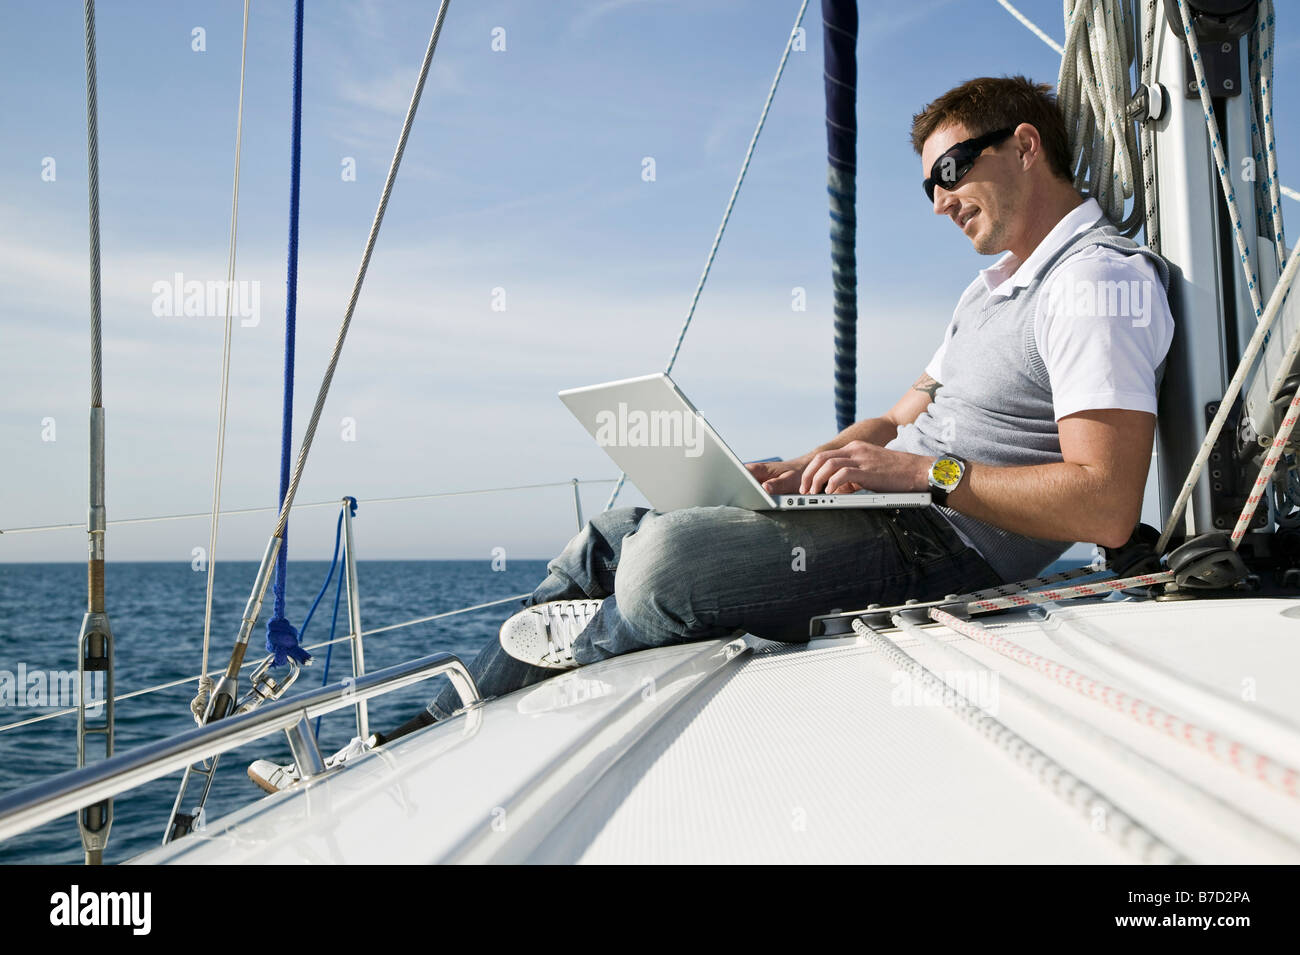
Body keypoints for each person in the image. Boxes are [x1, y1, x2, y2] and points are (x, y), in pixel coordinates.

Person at [248, 75, 1173, 792]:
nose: (936, 200)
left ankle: (518, 738)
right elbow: (899, 412)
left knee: (661, 565)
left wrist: (917, 469)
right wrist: (813, 463)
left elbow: (1103, 501)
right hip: (904, 503)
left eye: (948, 169)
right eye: (927, 182)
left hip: (955, 545)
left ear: (1022, 146)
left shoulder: (1095, 285)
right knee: (609, 533)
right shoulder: (993, 288)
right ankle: (412, 745)